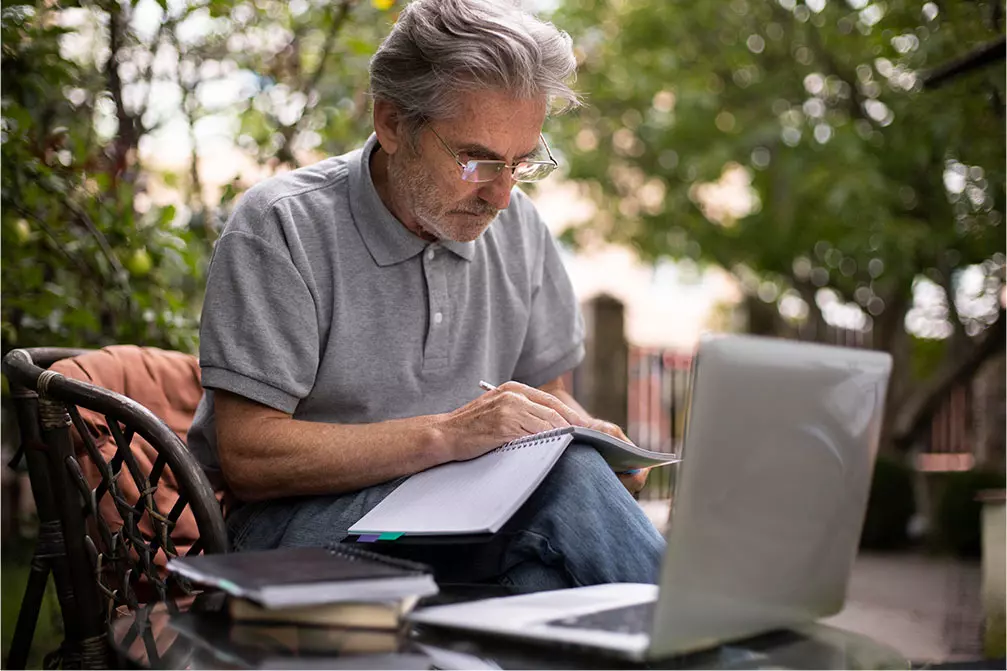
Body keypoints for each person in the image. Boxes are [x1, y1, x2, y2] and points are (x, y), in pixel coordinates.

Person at [187, 0, 664, 593]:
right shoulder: (282, 224)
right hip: (302, 532)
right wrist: (448, 435)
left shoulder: (521, 231)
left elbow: (545, 394)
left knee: (547, 574)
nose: (502, 196)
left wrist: (584, 432)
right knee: (567, 489)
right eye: (478, 160)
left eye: (521, 163)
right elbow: (248, 457)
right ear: (392, 124)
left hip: (464, 522)